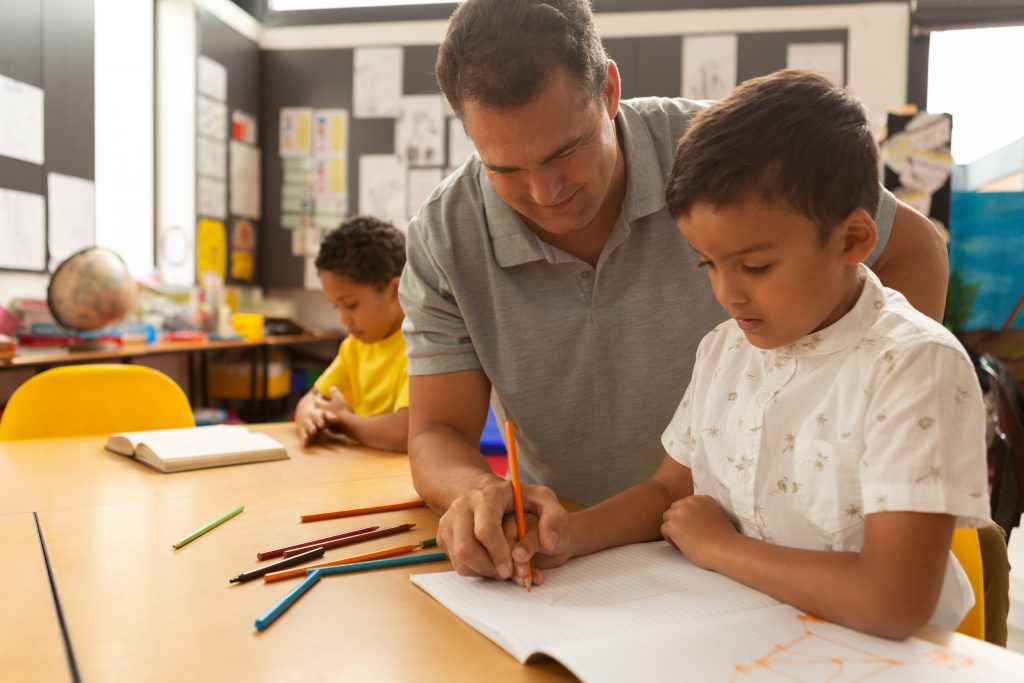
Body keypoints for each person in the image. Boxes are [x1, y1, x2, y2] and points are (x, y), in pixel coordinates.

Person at [399, 0, 951, 583]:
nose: (544, 190)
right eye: (504, 168)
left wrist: (876, 394)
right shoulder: (446, 232)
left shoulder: (724, 162)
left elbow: (912, 245)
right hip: (605, 559)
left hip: (785, 552)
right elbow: (437, 432)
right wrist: (482, 495)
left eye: (566, 150)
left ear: (609, 90)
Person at [510, 69, 990, 639]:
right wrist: (569, 535)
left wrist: (721, 549)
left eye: (756, 266)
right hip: (749, 640)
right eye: (707, 264)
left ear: (853, 240)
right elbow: (669, 490)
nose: (726, 294)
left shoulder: (911, 365)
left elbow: (894, 601)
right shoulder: (725, 349)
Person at [295, 215, 409, 452]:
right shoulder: (355, 346)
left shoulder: (419, 346)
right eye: (337, 306)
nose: (343, 319)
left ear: (394, 291)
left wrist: (344, 422)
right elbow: (309, 400)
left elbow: (403, 432)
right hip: (357, 476)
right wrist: (311, 419)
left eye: (351, 305)